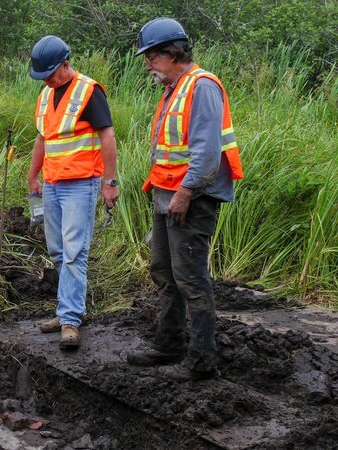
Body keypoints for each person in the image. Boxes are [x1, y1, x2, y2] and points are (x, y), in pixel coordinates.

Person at [126, 18, 244, 381]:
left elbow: (207, 151)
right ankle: (169, 344)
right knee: (163, 271)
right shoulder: (174, 88)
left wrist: (186, 193)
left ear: (171, 53)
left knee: (191, 278)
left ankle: (201, 360)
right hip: (167, 195)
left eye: (151, 57)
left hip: (190, 199)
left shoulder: (201, 86)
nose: (147, 65)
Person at [28, 36, 119, 348]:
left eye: (51, 74)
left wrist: (110, 181)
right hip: (52, 183)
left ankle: (70, 319)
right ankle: (66, 308)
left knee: (74, 251)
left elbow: (107, 136)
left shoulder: (89, 91)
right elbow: (42, 139)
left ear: (66, 64)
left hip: (81, 184)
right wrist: (33, 176)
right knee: (57, 250)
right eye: (43, 77)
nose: (49, 81)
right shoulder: (45, 94)